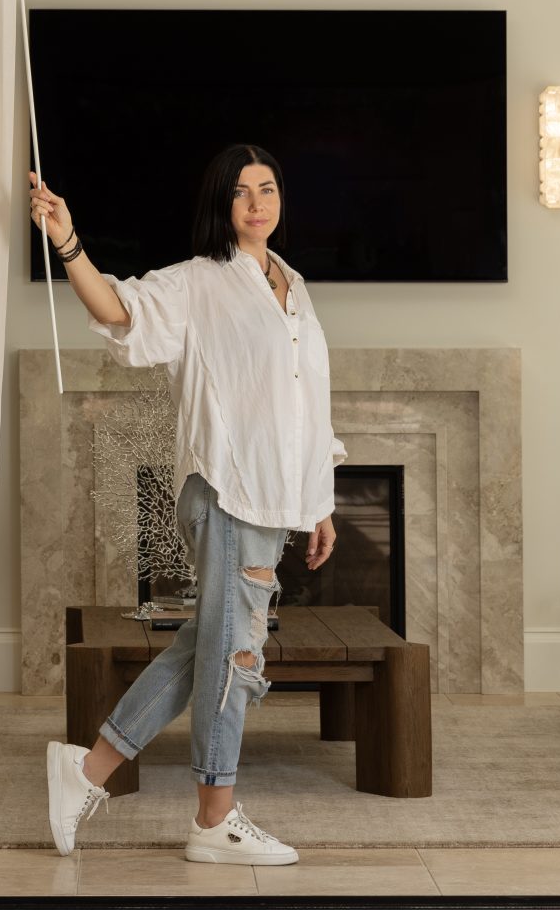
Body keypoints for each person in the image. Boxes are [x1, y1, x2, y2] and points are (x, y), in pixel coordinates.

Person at [28, 143, 347, 866]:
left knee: (204, 645)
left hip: (273, 498)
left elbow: (304, 401)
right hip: (227, 491)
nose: (257, 203)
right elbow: (118, 310)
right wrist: (67, 240)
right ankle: (213, 818)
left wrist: (318, 500)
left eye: (267, 189)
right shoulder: (199, 282)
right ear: (220, 205)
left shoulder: (291, 283)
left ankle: (84, 772)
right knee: (235, 655)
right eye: (241, 193)